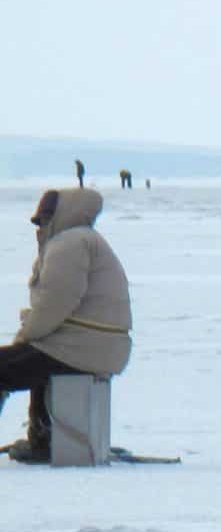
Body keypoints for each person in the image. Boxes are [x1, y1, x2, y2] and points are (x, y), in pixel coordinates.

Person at [2, 189, 133, 464]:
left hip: (79, 347)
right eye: (37, 221)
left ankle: (44, 439)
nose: (40, 227)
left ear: (63, 215)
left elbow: (55, 303)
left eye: (44, 219)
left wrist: (25, 336)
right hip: (93, 346)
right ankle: (44, 437)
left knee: (15, 363)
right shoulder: (85, 240)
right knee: (35, 359)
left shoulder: (69, 244)